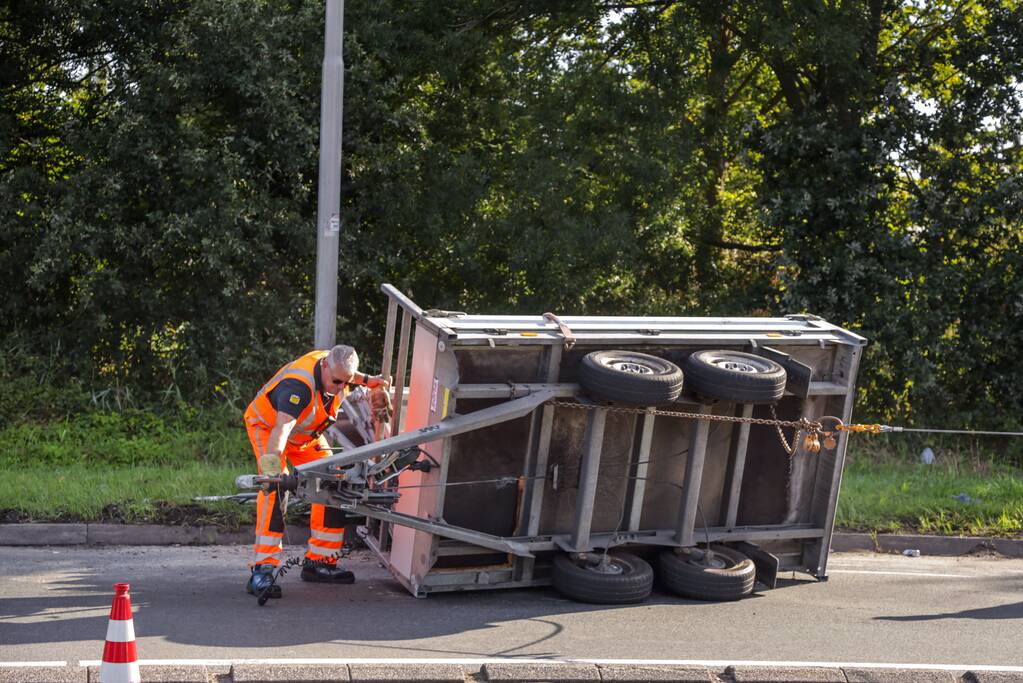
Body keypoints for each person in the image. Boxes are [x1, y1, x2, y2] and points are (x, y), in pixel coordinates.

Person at [242, 344, 389, 598]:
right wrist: (274, 471)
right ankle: (262, 570)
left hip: (305, 437)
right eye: (336, 382)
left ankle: (320, 563)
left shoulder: (338, 370)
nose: (342, 388)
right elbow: (281, 431)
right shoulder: (297, 388)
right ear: (324, 367)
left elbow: (349, 375)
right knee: (275, 489)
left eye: (346, 382)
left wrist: (373, 383)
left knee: (335, 479)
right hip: (269, 430)